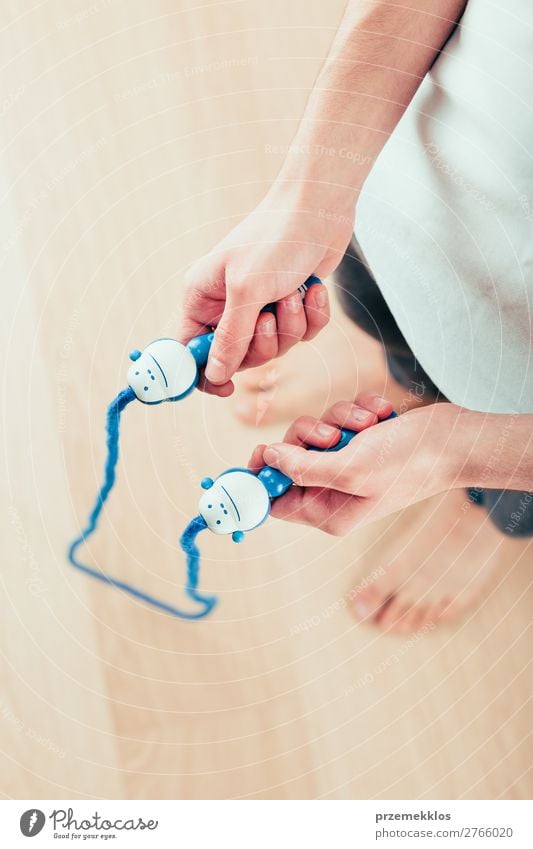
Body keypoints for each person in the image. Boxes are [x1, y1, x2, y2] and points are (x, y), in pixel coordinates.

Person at [179, 0, 533, 632]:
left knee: (511, 481)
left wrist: (459, 455)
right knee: (380, 310)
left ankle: (485, 509)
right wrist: (310, 195)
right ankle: (407, 382)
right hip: (402, 198)